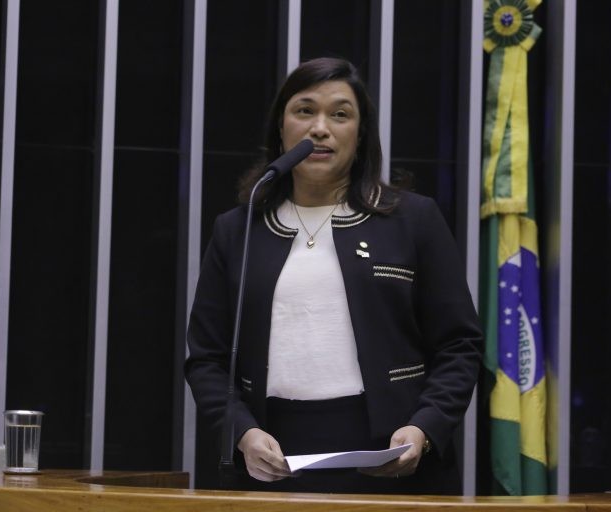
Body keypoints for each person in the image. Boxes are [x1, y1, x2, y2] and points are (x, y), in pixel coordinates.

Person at [185, 57, 481, 495]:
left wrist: (424, 428)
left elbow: (460, 344)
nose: (320, 128)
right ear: (280, 129)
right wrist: (242, 434)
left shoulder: (414, 219)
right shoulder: (238, 229)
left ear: (359, 136)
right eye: (304, 111)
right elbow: (207, 358)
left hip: (390, 454)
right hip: (270, 457)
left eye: (340, 114)